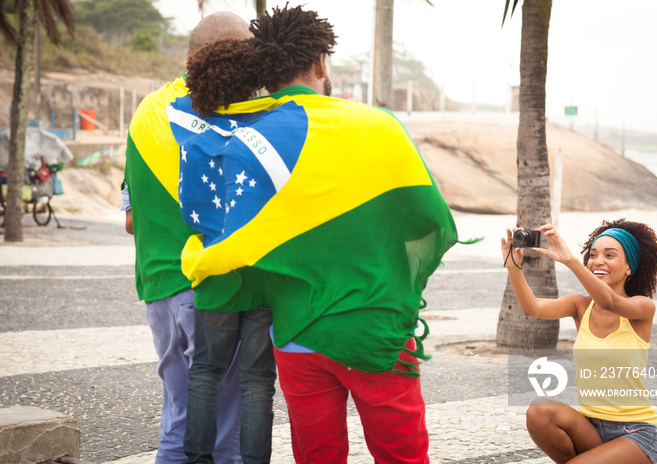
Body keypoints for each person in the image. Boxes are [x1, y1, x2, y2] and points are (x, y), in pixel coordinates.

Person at [176, 5, 458, 463]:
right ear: (321, 63)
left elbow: (230, 239)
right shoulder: (379, 127)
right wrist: (396, 281)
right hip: (376, 329)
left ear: (263, 73)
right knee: (402, 455)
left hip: (296, 335)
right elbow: (433, 222)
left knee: (317, 456)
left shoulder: (243, 139)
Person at [121, 11, 254, 464]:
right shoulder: (227, 116)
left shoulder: (145, 113)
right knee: (223, 436)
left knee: (178, 421)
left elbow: (131, 220)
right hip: (209, 293)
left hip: (158, 291)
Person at [177, 38, 278, 464]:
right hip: (260, 267)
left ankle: (197, 459)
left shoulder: (183, 119)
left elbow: (181, 96)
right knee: (257, 380)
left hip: (213, 265)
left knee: (205, 371)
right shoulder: (271, 125)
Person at [501, 219, 657, 464]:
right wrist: (512, 265)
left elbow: (610, 302)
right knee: (539, 411)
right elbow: (532, 307)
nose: (598, 261)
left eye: (609, 255)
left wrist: (569, 260)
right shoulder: (581, 306)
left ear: (629, 267)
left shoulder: (641, 307)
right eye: (593, 255)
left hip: (635, 433)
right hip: (590, 427)